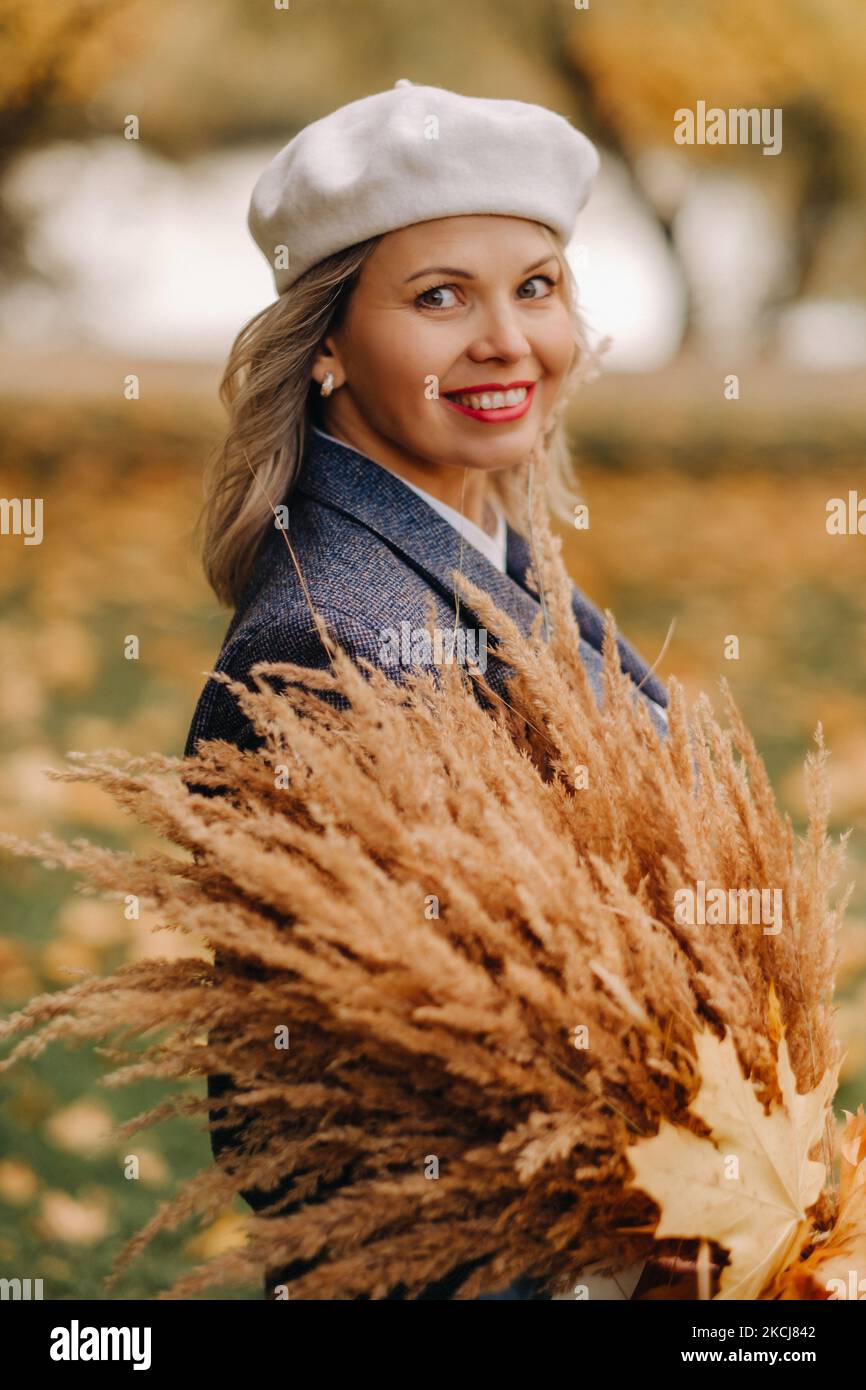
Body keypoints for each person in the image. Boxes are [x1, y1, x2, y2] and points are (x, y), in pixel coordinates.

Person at [184, 79, 671, 1300]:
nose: (506, 339)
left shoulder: (484, 558)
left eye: (536, 285)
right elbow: (312, 1133)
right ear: (330, 345)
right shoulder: (336, 643)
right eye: (439, 296)